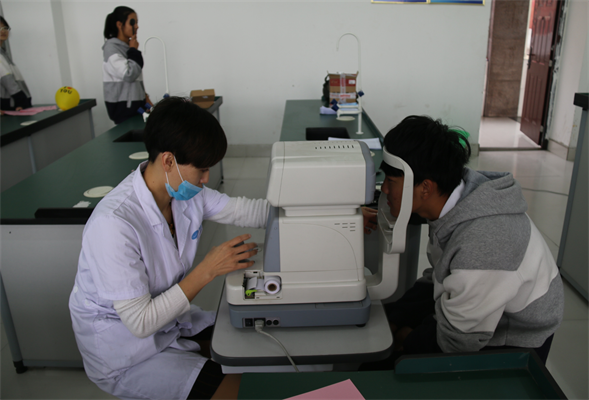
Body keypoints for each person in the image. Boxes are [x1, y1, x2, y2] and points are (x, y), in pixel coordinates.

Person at [69, 97, 270, 400]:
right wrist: (208, 269)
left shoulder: (183, 193)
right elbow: (140, 322)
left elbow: (247, 211)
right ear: (168, 161)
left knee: (254, 342)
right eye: (201, 169)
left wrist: (318, 212)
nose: (206, 179)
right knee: (240, 392)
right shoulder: (114, 223)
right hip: (126, 351)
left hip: (170, 322)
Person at [362, 115, 564, 367]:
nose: (384, 190)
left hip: (511, 342)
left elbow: (457, 341)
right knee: (387, 324)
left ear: (425, 188)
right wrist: (396, 317)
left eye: (391, 182)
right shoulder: (456, 199)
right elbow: (441, 277)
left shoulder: (485, 242)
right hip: (470, 307)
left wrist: (406, 341)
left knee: (383, 366)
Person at [102, 6, 152, 124]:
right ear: (119, 25)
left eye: (137, 22)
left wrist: (145, 98)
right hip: (124, 110)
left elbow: (136, 78)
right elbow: (129, 74)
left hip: (136, 108)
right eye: (133, 22)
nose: (137, 26)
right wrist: (134, 50)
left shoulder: (128, 48)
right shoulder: (111, 49)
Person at [0, 16, 32, 112]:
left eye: (5, 28)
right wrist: (20, 100)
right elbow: (7, 79)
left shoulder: (3, 53)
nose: (3, 31)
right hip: (8, 105)